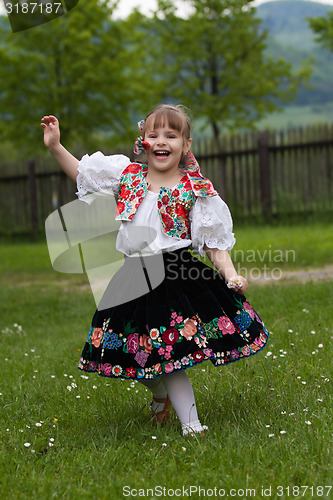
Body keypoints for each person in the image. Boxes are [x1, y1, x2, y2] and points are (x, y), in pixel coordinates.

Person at [41, 104, 269, 436]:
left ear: (185, 145)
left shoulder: (195, 189)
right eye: (154, 134)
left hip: (175, 276)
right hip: (133, 276)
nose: (161, 141)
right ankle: (159, 395)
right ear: (143, 142)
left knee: (170, 353)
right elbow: (82, 174)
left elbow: (215, 242)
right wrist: (56, 147)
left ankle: (191, 426)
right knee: (136, 352)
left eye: (171, 135)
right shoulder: (128, 176)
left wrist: (230, 272)